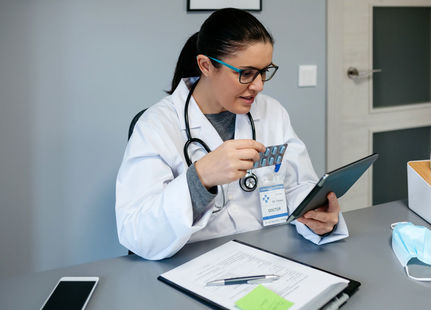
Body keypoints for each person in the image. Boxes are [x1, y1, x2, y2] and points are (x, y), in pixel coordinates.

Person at [115, 8, 348, 260]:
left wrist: (316, 213)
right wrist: (201, 177)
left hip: (271, 255)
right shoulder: (157, 125)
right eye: (246, 73)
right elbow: (136, 232)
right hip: (194, 264)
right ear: (205, 65)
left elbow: (296, 185)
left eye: (264, 72)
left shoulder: (272, 112)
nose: (258, 85)